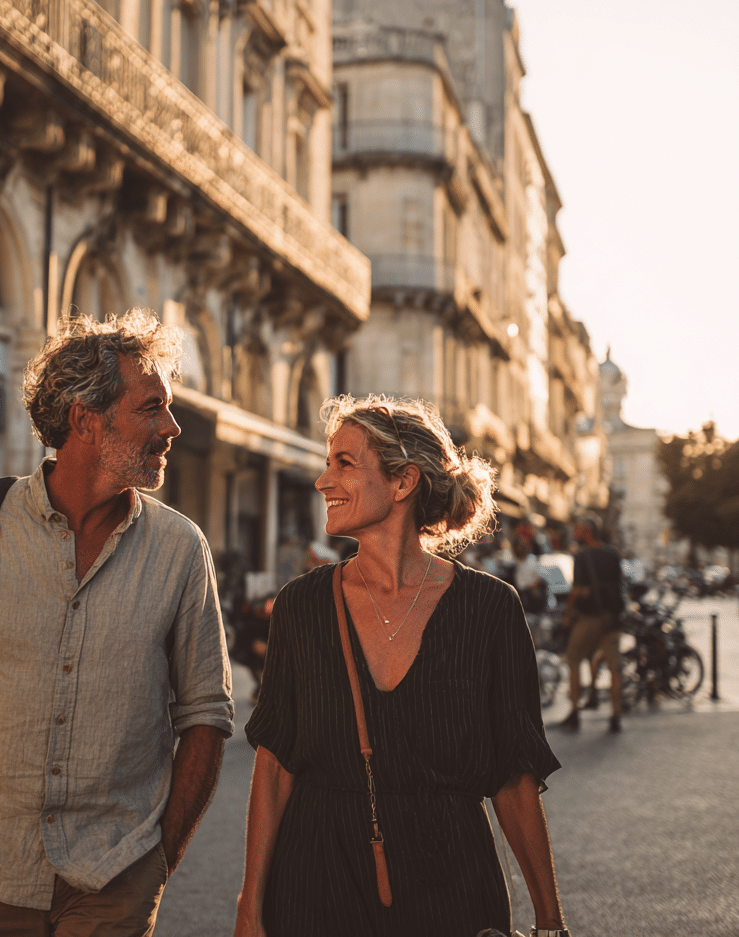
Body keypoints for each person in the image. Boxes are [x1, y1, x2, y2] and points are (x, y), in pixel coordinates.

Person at [0, 308, 234, 937]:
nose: (172, 426)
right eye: (151, 407)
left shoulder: (181, 548)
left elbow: (206, 718)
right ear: (86, 419)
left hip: (114, 878)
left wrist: (158, 861)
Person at [234, 395, 569, 937]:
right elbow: (274, 768)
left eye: (344, 463)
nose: (323, 481)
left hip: (454, 890)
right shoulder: (302, 605)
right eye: (328, 461)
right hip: (317, 885)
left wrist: (551, 921)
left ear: (403, 482)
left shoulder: (491, 609)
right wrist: (250, 908)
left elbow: (514, 776)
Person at [559, 516, 624, 734]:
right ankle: (615, 715)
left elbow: (577, 590)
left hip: (591, 617)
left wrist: (567, 615)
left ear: (587, 532)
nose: (574, 533)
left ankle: (575, 711)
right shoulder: (613, 553)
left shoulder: (582, 556)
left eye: (577, 529)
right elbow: (618, 584)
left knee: (573, 658)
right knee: (615, 668)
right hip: (612, 618)